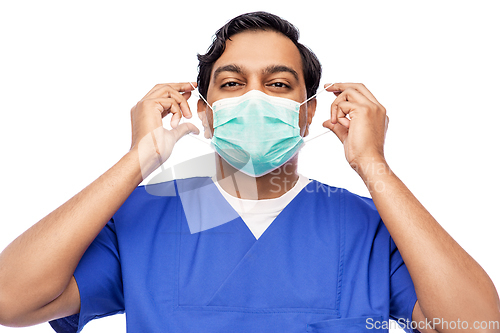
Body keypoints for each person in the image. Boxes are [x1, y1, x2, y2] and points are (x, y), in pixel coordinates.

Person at [0, 11, 498, 333]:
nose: (256, 98)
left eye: (278, 84)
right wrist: (139, 159)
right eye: (233, 83)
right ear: (206, 109)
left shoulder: (367, 226)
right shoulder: (145, 217)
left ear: (306, 114)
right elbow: (10, 301)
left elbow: (477, 326)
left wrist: (373, 166)